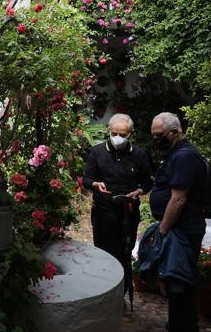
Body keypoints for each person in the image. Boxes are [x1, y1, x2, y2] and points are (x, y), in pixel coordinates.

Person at [83, 114, 152, 299]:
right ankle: (104, 294)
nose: (117, 138)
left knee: (124, 252)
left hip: (128, 212)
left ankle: (121, 293)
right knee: (104, 252)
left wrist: (139, 191)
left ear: (130, 134)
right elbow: (86, 179)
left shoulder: (139, 154)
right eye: (114, 133)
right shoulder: (97, 152)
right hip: (103, 212)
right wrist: (96, 185)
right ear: (108, 131)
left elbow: (147, 182)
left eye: (122, 134)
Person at [149, 112, 206, 332]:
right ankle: (180, 323)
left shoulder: (184, 156)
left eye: (159, 135)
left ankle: (183, 326)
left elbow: (179, 198)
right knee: (176, 279)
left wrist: (162, 230)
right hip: (180, 226)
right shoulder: (177, 153)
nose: (155, 140)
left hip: (183, 227)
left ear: (175, 132)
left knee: (180, 279)